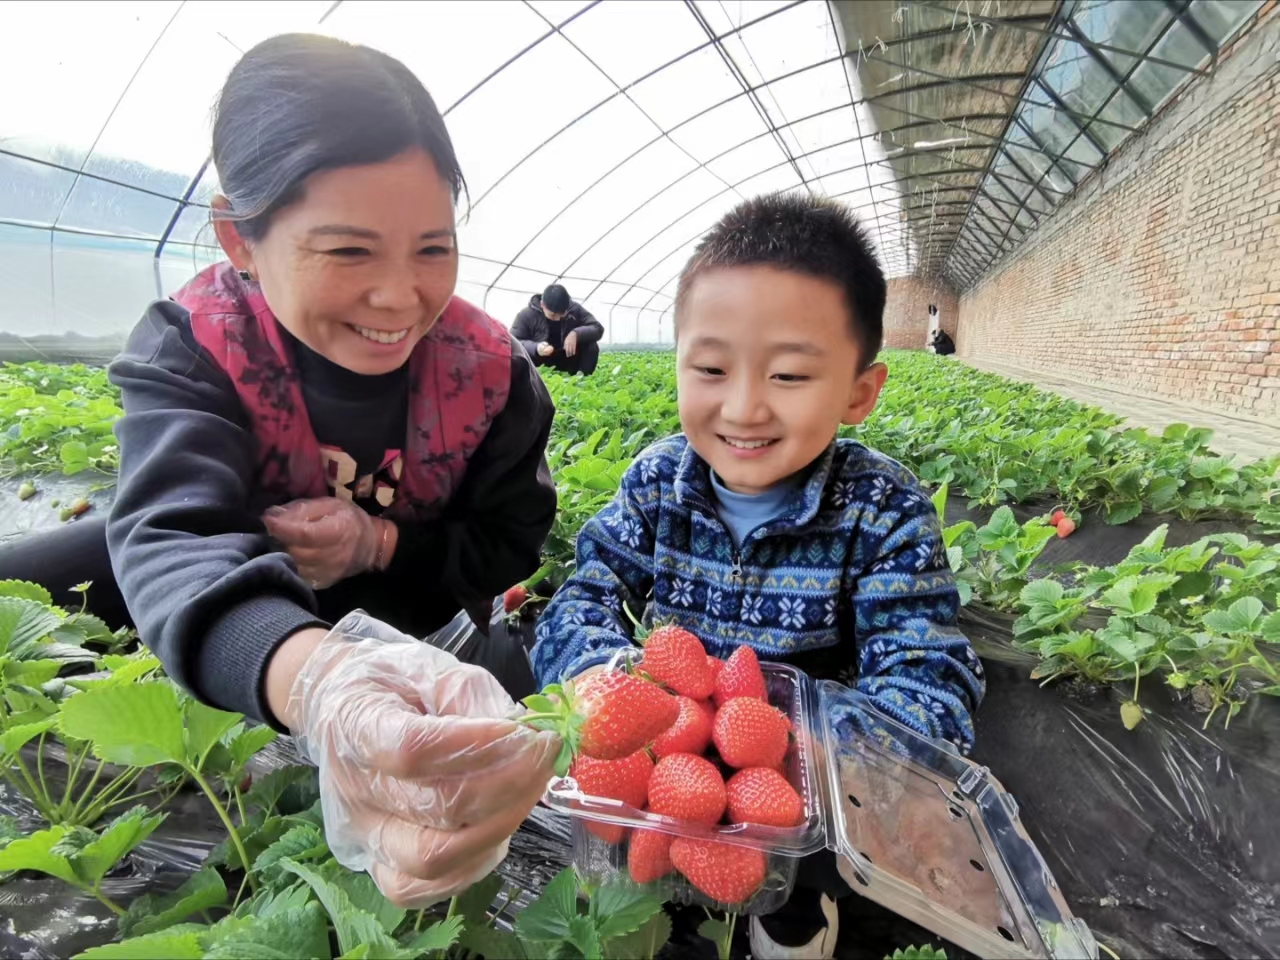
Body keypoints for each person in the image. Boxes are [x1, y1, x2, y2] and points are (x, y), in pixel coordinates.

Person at [0, 34, 561, 907]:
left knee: (530, 744)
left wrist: (379, 544)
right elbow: (171, 535)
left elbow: (509, 540)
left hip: (412, 625)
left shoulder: (492, 378)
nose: (399, 296)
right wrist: (320, 681)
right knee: (50, 575)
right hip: (246, 621)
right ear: (239, 238)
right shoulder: (200, 346)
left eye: (432, 249)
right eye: (348, 251)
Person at [530, 192, 985, 958]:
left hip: (803, 759)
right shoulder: (657, 482)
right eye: (710, 368)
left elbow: (928, 666)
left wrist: (811, 747)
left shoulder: (883, 508)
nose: (743, 407)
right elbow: (586, 592)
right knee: (648, 846)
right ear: (676, 364)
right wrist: (613, 687)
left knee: (812, 844)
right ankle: (665, 909)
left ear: (858, 392)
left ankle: (794, 915)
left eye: (789, 376)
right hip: (667, 739)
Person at [512, 284, 604, 375]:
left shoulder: (574, 309)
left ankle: (582, 378)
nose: (557, 319)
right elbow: (514, 341)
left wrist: (576, 333)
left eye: (562, 314)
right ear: (542, 304)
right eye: (553, 315)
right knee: (517, 355)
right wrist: (536, 348)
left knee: (591, 345)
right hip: (541, 361)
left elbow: (597, 328)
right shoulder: (526, 315)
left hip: (567, 357)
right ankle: (533, 379)